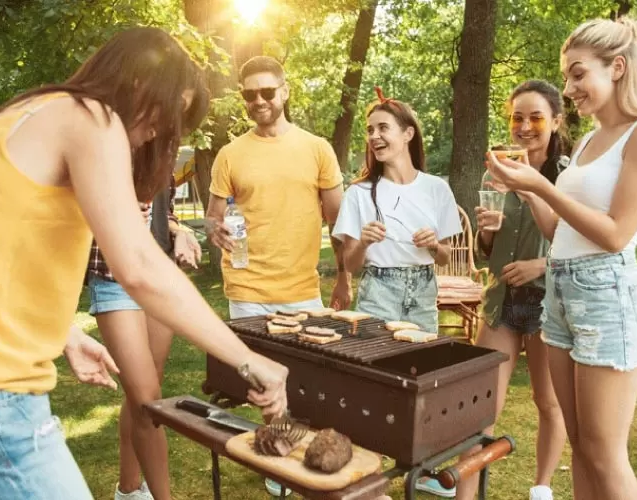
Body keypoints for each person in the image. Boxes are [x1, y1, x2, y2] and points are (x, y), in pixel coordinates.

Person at [0, 27, 288, 500]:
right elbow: (137, 264)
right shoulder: (92, 118)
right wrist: (247, 359)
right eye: (169, 111)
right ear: (140, 83)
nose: (160, 131)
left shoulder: (28, 114)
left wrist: (66, 335)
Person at [486, 17, 637, 500]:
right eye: (568, 77)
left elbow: (615, 235)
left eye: (578, 74)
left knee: (605, 453)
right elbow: (560, 233)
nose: (569, 88)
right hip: (562, 293)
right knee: (582, 447)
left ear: (617, 68)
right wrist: (526, 190)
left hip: (605, 295)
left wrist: (542, 185)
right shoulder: (592, 139)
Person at [204, 55, 350, 497]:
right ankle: (281, 452)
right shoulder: (230, 155)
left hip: (302, 287)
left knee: (308, 379)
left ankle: (302, 445)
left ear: (285, 91)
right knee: (264, 381)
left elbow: (337, 222)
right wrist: (216, 231)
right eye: (249, 94)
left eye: (267, 92)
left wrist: (343, 277)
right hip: (248, 288)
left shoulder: (317, 148)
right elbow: (213, 219)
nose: (259, 101)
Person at [457, 80, 569, 500]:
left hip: (548, 304)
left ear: (555, 121)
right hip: (502, 301)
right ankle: (464, 497)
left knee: (549, 402)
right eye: (517, 117)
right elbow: (484, 256)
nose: (525, 126)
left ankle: (541, 488)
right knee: (480, 406)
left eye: (536, 117)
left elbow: (580, 247)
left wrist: (540, 264)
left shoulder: (568, 174)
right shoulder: (495, 171)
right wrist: (486, 236)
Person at [86, 169, 203, 500]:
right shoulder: (98, 137)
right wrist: (109, 213)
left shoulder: (161, 148)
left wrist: (179, 232)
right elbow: (65, 208)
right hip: (114, 275)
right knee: (148, 398)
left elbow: (164, 215)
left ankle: (128, 489)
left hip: (158, 274)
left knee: (144, 393)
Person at [333, 89, 461, 335]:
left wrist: (434, 245)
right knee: (377, 367)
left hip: (423, 294)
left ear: (407, 134)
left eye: (383, 128)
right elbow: (351, 264)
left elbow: (444, 257)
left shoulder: (436, 188)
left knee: (422, 366)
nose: (374, 136)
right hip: (378, 292)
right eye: (370, 130)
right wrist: (363, 242)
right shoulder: (358, 193)